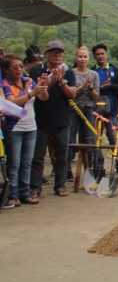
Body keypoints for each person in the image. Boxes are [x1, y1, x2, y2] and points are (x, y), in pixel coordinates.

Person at [28, 41, 77, 199]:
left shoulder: (68, 72)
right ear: (47, 54)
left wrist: (61, 82)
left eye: (60, 52)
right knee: (38, 157)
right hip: (41, 121)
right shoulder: (36, 70)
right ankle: (35, 188)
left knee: (62, 156)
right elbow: (36, 93)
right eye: (54, 52)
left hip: (62, 120)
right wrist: (49, 81)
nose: (57, 55)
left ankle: (60, 185)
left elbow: (72, 95)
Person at [2, 54, 49, 207]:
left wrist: (43, 86)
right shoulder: (4, 85)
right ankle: (12, 194)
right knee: (14, 163)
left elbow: (43, 98)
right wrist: (32, 93)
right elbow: (12, 103)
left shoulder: (28, 81)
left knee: (27, 162)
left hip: (31, 126)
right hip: (14, 127)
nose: (19, 70)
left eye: (21, 66)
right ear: (6, 70)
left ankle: (25, 192)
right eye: (15, 67)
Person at [68, 47, 100, 176]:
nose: (82, 59)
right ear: (76, 58)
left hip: (88, 109)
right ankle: (67, 170)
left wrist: (90, 87)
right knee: (70, 138)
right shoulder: (71, 73)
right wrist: (82, 86)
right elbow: (71, 94)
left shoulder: (94, 74)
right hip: (73, 108)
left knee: (89, 139)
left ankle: (90, 169)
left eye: (85, 57)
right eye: (80, 56)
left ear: (88, 59)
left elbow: (96, 96)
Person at [91, 44, 118, 155]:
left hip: (112, 110)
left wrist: (110, 86)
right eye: (97, 54)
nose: (100, 56)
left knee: (114, 138)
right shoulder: (91, 71)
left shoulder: (115, 70)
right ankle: (98, 165)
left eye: (102, 53)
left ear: (106, 54)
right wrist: (100, 87)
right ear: (94, 56)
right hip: (96, 111)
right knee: (96, 139)